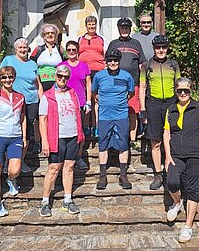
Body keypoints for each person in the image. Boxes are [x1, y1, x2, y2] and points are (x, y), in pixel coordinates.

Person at [163, 77, 199, 243]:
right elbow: (166, 133)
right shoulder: (171, 109)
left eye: (186, 90)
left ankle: (188, 226)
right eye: (180, 90)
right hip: (176, 154)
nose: (183, 93)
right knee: (172, 182)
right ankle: (177, 203)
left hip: (196, 154)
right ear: (175, 91)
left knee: (193, 188)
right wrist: (167, 155)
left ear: (191, 91)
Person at [38, 65, 85, 217]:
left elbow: (78, 114)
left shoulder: (72, 93)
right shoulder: (48, 95)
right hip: (56, 136)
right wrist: (44, 142)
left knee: (69, 167)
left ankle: (67, 199)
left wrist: (80, 135)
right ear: (55, 76)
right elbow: (42, 120)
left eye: (65, 77)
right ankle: (45, 201)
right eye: (60, 76)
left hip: (72, 135)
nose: (62, 79)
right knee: (54, 168)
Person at [0, 37, 43, 170]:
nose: (23, 50)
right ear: (15, 49)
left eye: (25, 47)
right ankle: (5, 161)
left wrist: (43, 100)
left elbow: (38, 84)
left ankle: (21, 160)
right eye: (20, 47)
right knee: (10, 128)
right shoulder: (8, 60)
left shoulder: (32, 64)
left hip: (31, 100)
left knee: (26, 131)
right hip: (11, 101)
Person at [139, 35, 181, 190]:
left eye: (164, 47)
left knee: (172, 138)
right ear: (154, 48)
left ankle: (173, 169)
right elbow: (142, 87)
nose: (161, 50)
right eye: (158, 47)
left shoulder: (174, 64)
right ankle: (158, 174)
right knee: (155, 141)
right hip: (154, 104)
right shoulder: (147, 64)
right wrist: (142, 109)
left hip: (171, 103)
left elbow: (179, 86)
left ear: (167, 48)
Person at [92, 48, 135, 190]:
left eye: (115, 60)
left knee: (123, 144)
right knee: (103, 144)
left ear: (119, 61)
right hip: (105, 116)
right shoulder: (99, 76)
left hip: (121, 115)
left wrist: (120, 102)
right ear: (106, 61)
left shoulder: (126, 76)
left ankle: (123, 175)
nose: (112, 62)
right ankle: (102, 176)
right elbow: (94, 93)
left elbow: (131, 93)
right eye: (110, 60)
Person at [0, 66, 27, 217]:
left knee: (15, 169)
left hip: (15, 136)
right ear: (0, 79)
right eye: (4, 77)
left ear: (14, 78)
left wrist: (24, 136)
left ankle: (11, 180)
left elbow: (23, 117)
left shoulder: (20, 97)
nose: (7, 80)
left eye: (10, 77)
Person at [107, 18, 146, 151]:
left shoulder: (136, 43)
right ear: (118, 29)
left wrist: (144, 81)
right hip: (115, 82)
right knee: (116, 110)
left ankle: (133, 139)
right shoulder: (113, 44)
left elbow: (141, 64)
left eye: (127, 27)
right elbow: (106, 63)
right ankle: (116, 137)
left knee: (132, 111)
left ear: (130, 29)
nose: (124, 29)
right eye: (122, 27)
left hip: (133, 82)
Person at [58, 40, 92, 169]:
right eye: (69, 50)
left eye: (74, 50)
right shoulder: (62, 65)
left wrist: (88, 101)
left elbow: (88, 84)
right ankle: (65, 158)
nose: (71, 52)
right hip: (65, 103)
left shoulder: (84, 65)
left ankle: (78, 156)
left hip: (80, 102)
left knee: (79, 132)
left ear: (78, 51)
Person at [78, 15, 106, 137]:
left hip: (98, 71)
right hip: (84, 71)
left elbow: (104, 54)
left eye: (93, 24)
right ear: (86, 26)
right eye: (89, 24)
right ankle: (85, 126)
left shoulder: (101, 39)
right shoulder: (80, 39)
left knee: (96, 99)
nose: (91, 27)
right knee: (85, 98)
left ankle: (96, 126)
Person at [30, 23, 64, 92]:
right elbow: (31, 64)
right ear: (44, 36)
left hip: (57, 82)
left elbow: (66, 64)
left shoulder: (61, 49)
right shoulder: (38, 49)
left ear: (56, 35)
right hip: (41, 83)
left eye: (52, 33)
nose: (50, 35)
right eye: (47, 33)